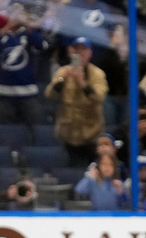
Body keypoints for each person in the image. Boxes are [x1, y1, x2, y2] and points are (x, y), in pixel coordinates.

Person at [45, 37, 109, 166]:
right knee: (71, 171)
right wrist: (63, 79)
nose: (80, 53)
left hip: (91, 134)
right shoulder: (63, 71)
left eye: (83, 49)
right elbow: (49, 94)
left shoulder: (97, 74)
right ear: (71, 52)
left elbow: (99, 97)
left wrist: (83, 83)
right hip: (68, 134)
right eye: (76, 49)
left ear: (90, 53)